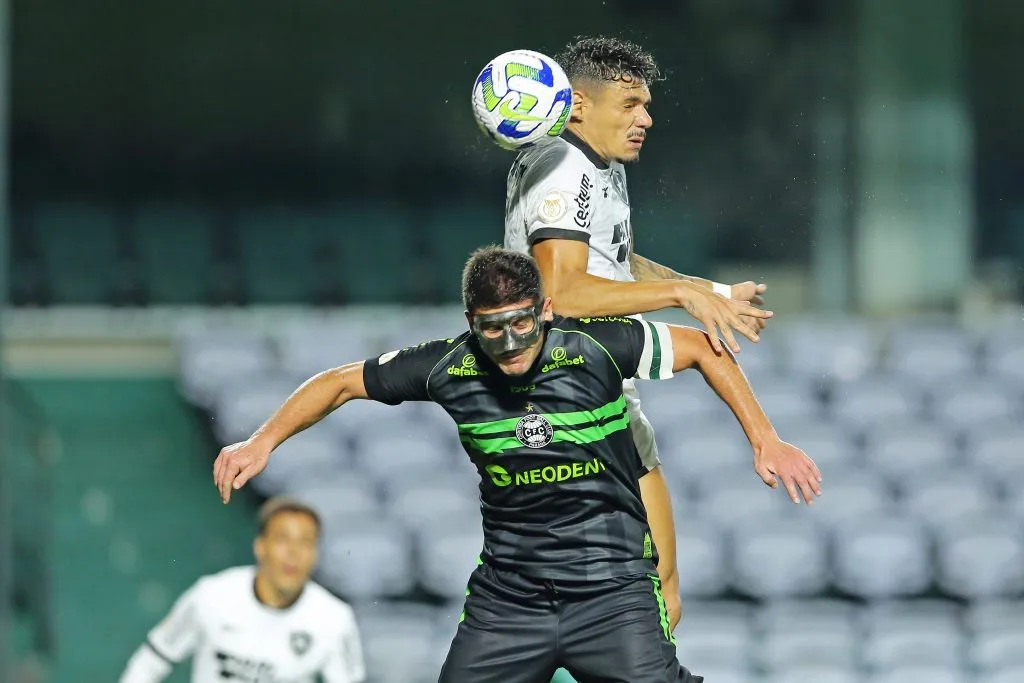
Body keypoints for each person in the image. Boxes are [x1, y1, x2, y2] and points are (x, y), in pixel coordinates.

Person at [213, 247, 821, 683]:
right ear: (470, 325)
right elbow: (341, 383)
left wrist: (765, 439)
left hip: (610, 589)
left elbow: (701, 347)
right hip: (510, 599)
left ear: (547, 309)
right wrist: (262, 441)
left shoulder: (596, 346)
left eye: (521, 324)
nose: (508, 345)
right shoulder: (447, 367)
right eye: (491, 330)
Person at [504, 35, 773, 632]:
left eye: (646, 104)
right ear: (577, 105)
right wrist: (682, 297)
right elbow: (564, 292)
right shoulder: (563, 171)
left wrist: (711, 290)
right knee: (600, 600)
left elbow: (612, 260)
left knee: (662, 586)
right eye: (629, 104)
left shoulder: (596, 164)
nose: (646, 118)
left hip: (602, 376)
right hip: (561, 388)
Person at [119, 497, 365, 683]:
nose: (294, 553)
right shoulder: (211, 596)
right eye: (282, 539)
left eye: (306, 542)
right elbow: (151, 661)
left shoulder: (335, 619)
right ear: (260, 546)